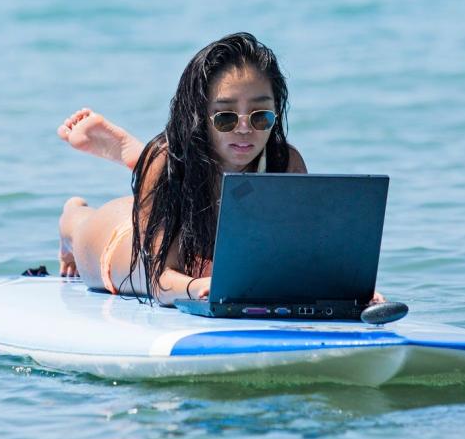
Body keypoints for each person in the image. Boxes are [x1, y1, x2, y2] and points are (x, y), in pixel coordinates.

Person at [55, 32, 307, 306]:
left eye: (260, 116)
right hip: (130, 252)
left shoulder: (285, 163)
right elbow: (159, 281)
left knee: (170, 182)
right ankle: (75, 213)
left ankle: (151, 170)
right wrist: (198, 286)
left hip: (183, 218)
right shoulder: (166, 163)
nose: (245, 128)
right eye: (225, 117)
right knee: (83, 228)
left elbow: (302, 256)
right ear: (199, 116)